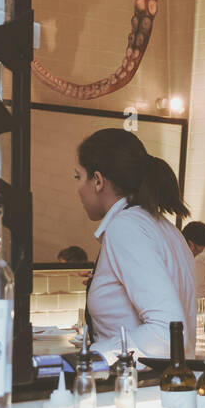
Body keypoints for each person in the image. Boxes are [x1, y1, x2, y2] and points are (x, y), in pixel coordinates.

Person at [74, 127, 195, 362]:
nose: (77, 188)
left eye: (78, 176)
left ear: (98, 181)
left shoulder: (125, 227)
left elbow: (167, 334)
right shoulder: (166, 228)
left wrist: (91, 355)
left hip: (136, 385)